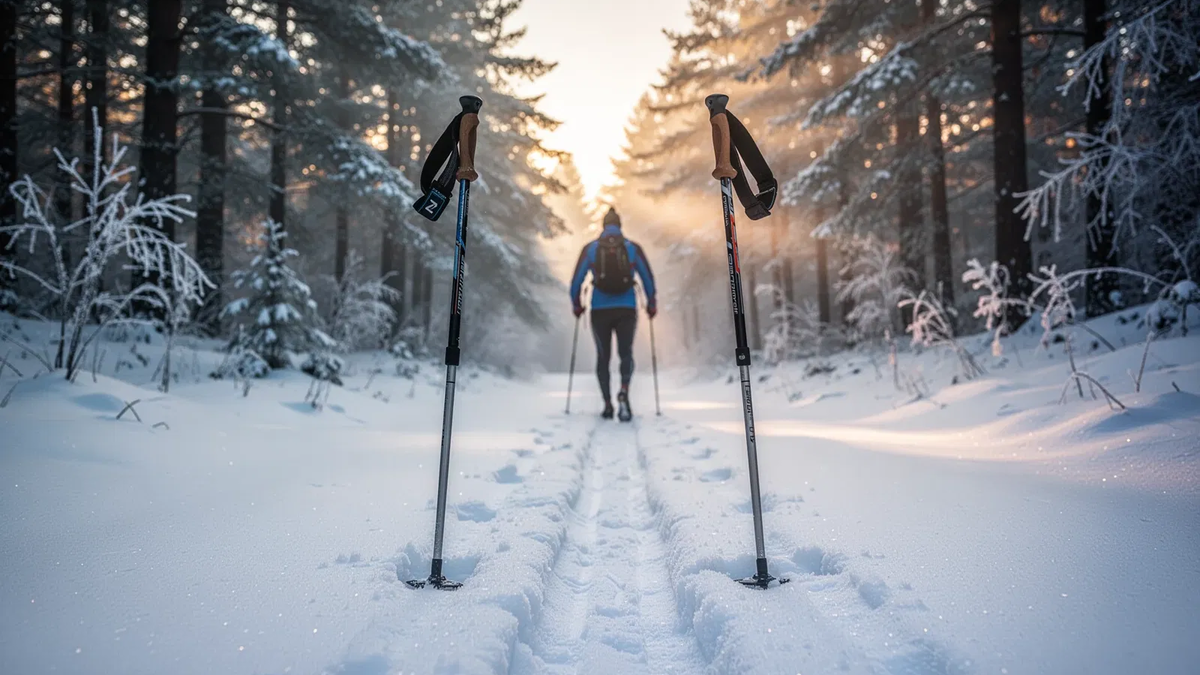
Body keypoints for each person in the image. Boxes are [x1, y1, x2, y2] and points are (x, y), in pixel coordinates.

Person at [569, 207, 656, 421]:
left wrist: (577, 305)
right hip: (626, 308)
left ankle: (607, 404)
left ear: (603, 226)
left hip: (599, 310)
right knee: (626, 353)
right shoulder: (632, 248)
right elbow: (647, 278)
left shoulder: (590, 249)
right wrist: (651, 304)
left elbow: (576, 281)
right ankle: (624, 390)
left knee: (603, 357)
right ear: (619, 225)